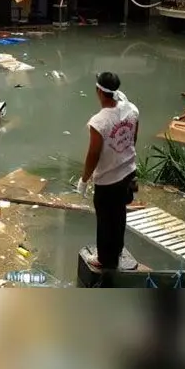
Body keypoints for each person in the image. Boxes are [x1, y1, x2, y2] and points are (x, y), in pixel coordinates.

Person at [78, 71, 140, 287]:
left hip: (108, 180)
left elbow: (93, 154)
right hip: (128, 172)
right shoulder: (131, 110)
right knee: (119, 216)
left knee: (105, 221)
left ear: (98, 91)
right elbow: (134, 137)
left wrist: (84, 180)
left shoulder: (99, 122)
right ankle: (117, 251)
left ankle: (105, 260)